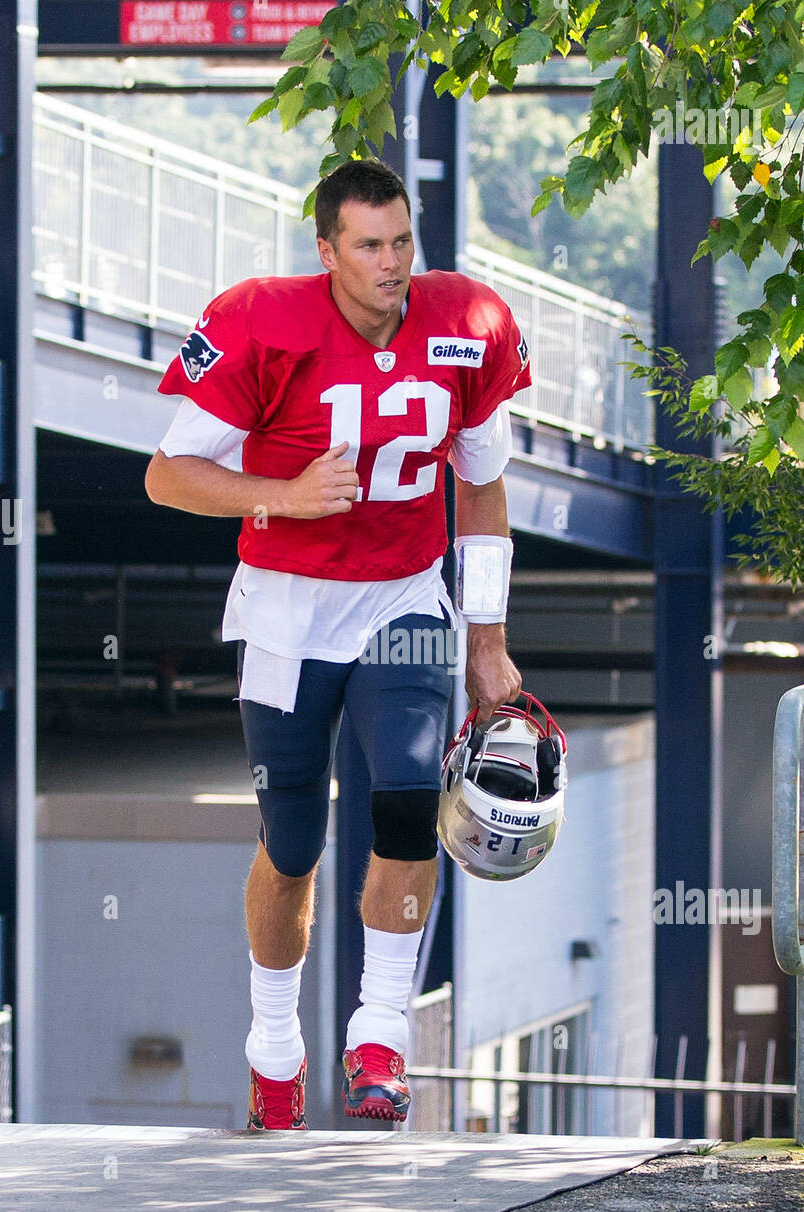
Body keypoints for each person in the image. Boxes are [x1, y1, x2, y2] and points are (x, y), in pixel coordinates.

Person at [144, 158, 530, 1130]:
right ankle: (274, 1045)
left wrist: (488, 641)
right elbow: (167, 476)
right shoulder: (260, 322)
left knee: (406, 802)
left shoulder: (467, 323)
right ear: (327, 251)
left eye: (403, 239)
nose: (393, 263)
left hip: (404, 595)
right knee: (293, 843)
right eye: (369, 245)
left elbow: (482, 492)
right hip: (285, 606)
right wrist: (279, 492)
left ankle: (380, 1038)